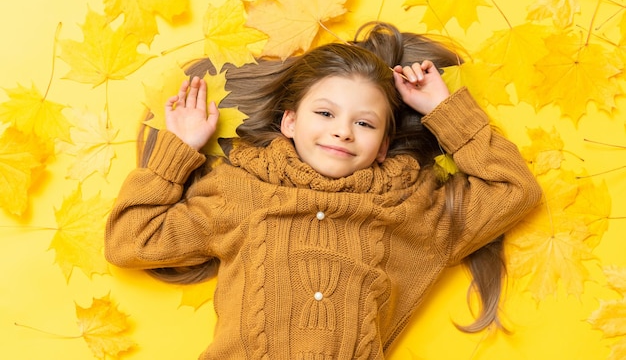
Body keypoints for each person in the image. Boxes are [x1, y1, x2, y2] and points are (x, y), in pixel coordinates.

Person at [105, 22, 542, 359]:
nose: (343, 132)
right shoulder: (241, 189)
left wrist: (444, 110)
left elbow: (513, 189)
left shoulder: (414, 208)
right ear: (290, 122)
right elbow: (131, 241)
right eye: (325, 113)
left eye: (364, 123)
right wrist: (179, 148)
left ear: (384, 144)